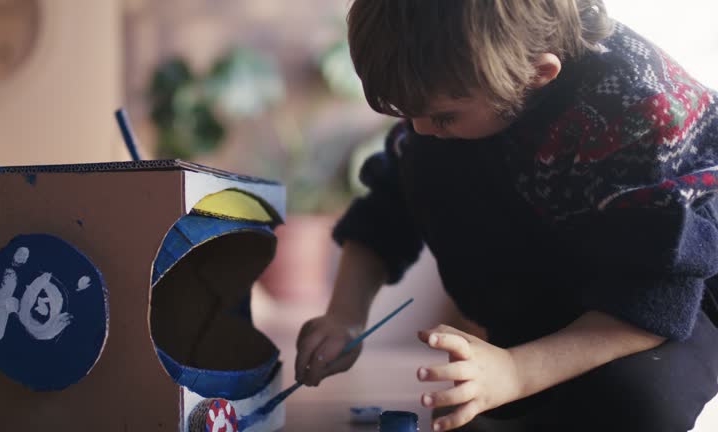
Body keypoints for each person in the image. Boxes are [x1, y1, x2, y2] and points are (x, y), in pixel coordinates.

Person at [294, 1, 718, 431]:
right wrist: (344, 316)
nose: (420, 128)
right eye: (410, 114)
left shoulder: (640, 109)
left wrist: (517, 372)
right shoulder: (464, 83)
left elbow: (655, 301)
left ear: (539, 74)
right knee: (427, 156)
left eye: (441, 116)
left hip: (683, 295)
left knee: (639, 401)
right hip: (569, 275)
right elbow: (389, 204)